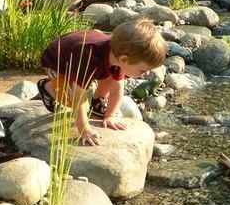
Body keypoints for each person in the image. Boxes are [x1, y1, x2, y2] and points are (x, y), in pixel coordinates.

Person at [37, 19, 167, 146]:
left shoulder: (119, 56)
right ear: (124, 59)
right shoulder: (89, 59)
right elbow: (79, 98)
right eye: (143, 70)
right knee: (70, 99)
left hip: (88, 53)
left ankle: (97, 101)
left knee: (110, 77)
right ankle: (47, 87)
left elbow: (117, 90)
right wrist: (84, 129)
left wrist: (110, 116)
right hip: (58, 60)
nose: (147, 74)